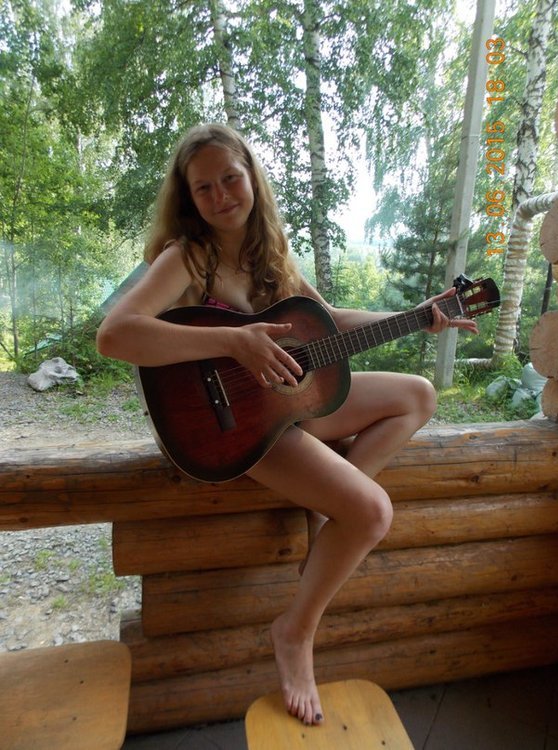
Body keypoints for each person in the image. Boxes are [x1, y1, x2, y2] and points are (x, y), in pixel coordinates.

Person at [96, 123, 478, 727]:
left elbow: (330, 321)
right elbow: (115, 335)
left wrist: (416, 315)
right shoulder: (187, 257)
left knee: (417, 395)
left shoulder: (269, 254)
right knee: (373, 513)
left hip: (286, 405)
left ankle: (325, 515)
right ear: (188, 197)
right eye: (203, 187)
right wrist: (234, 342)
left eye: (230, 178)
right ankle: (295, 631)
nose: (220, 195)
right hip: (231, 428)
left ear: (252, 177)